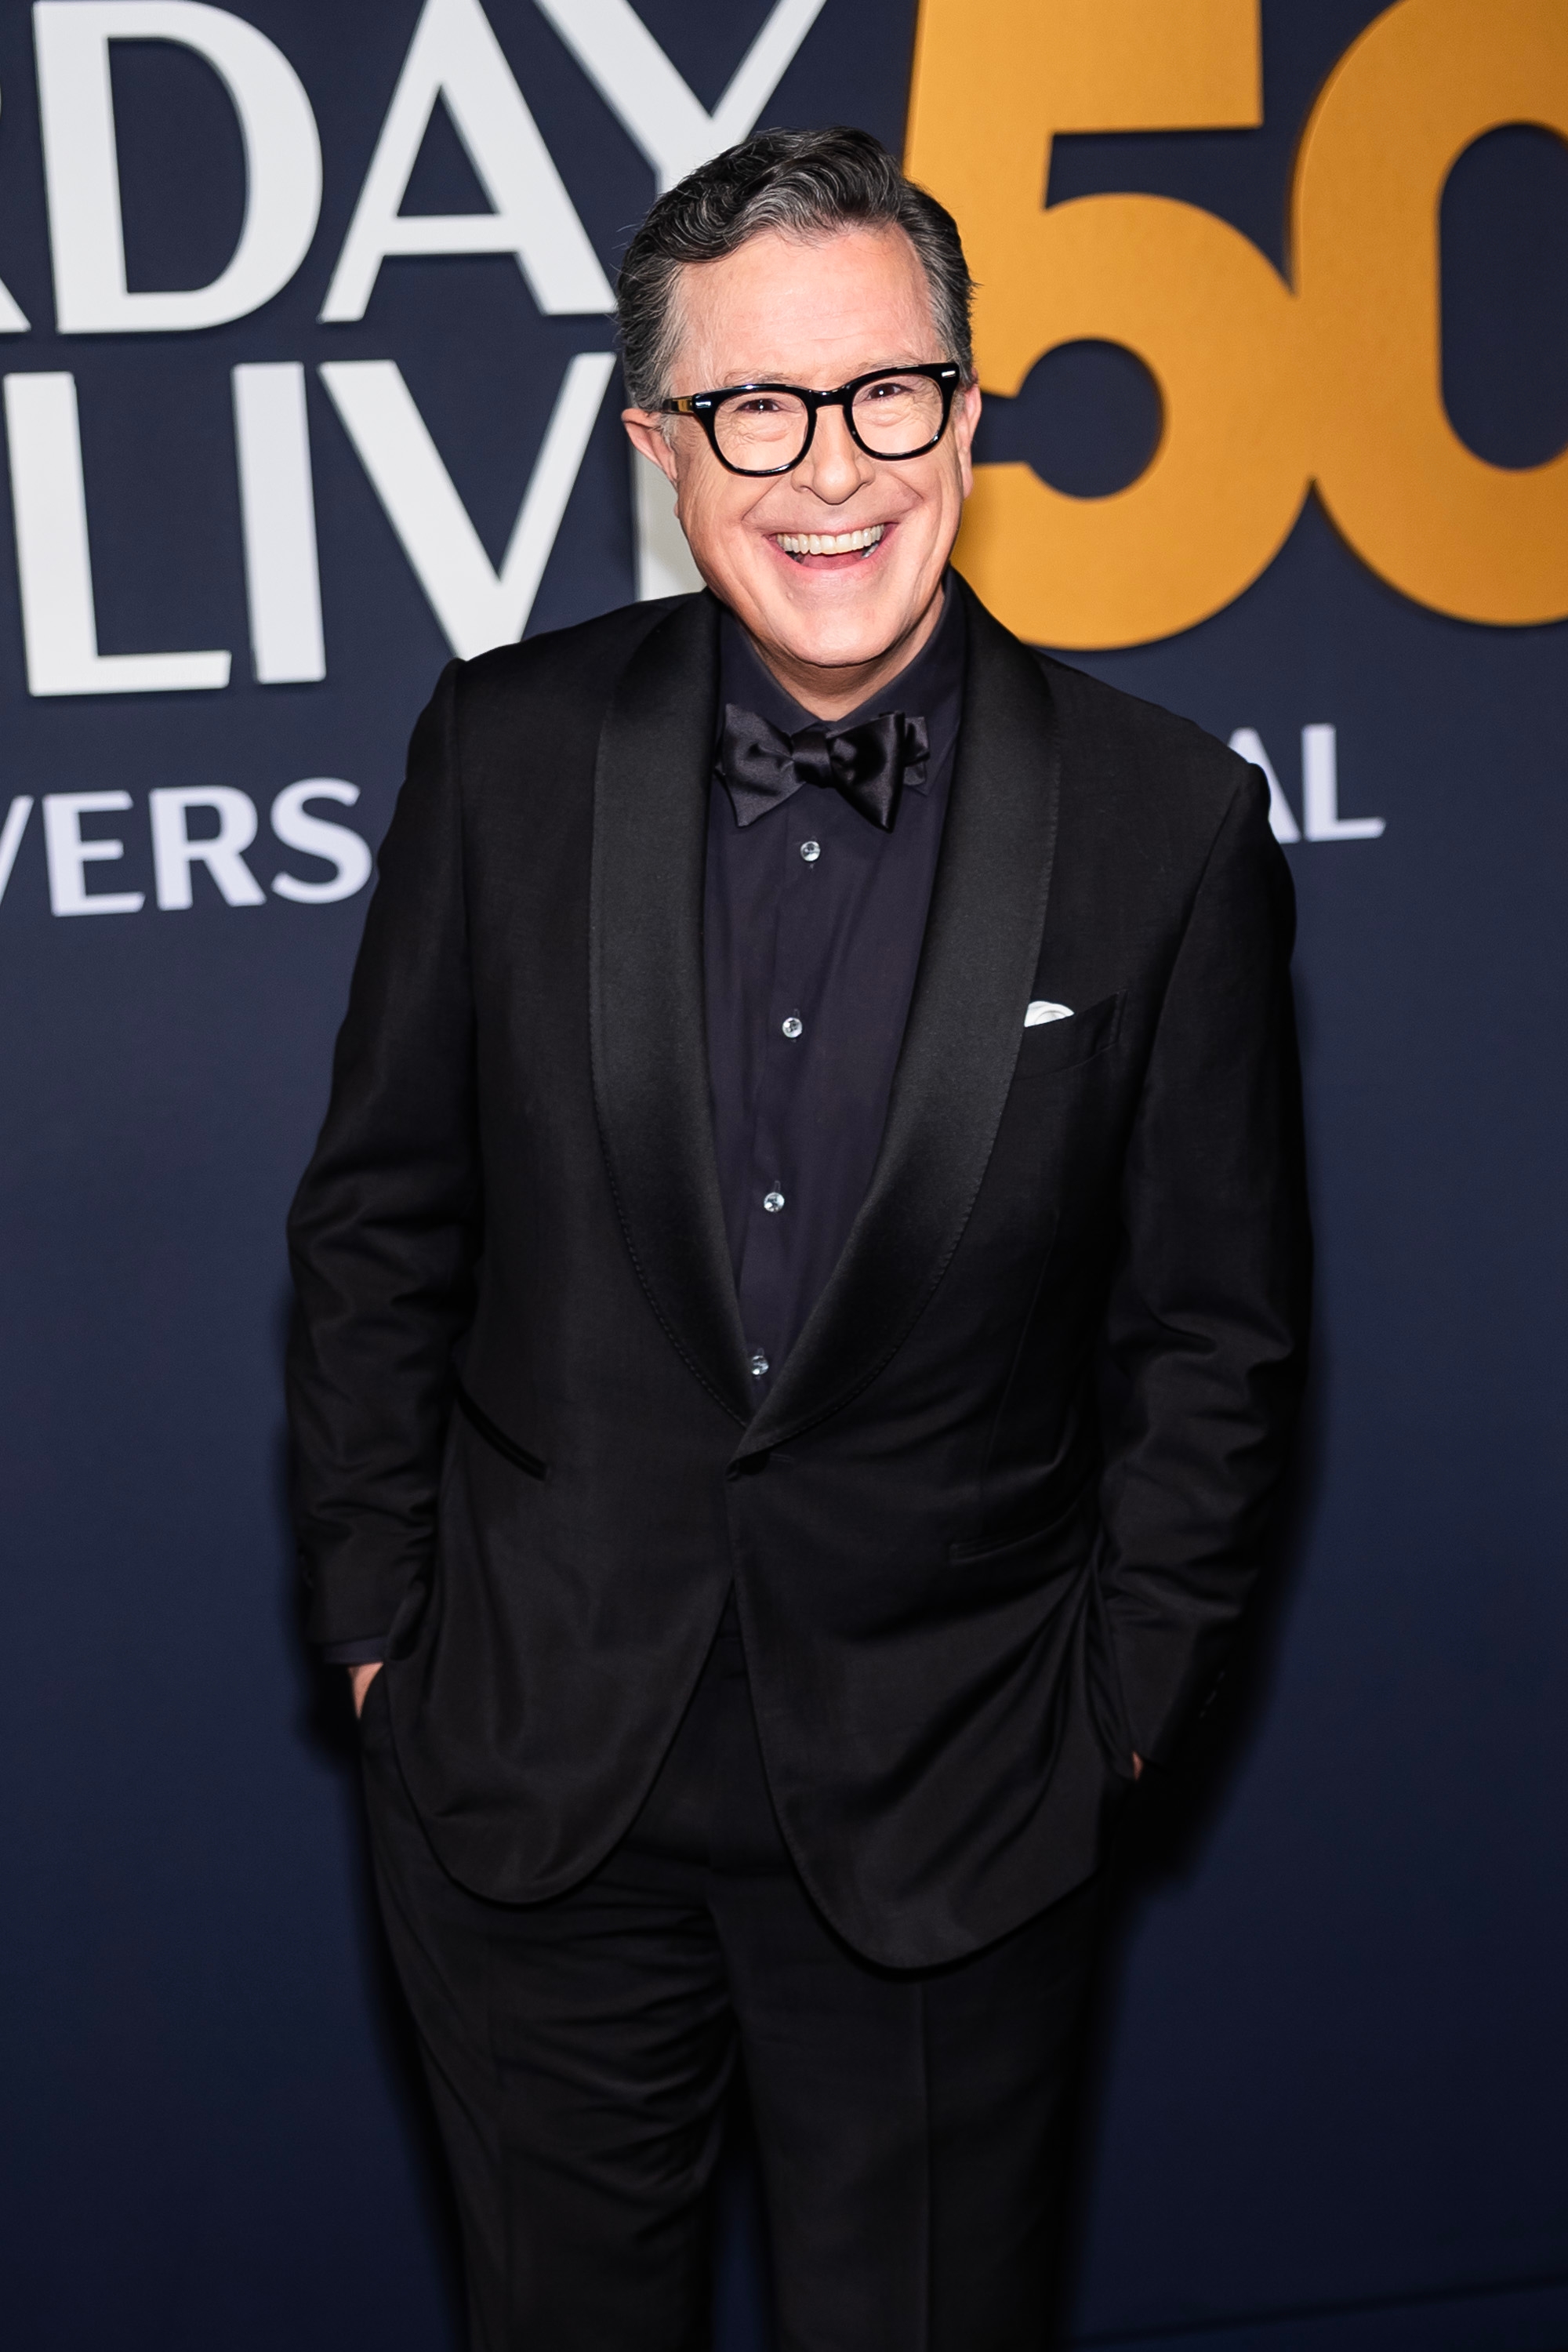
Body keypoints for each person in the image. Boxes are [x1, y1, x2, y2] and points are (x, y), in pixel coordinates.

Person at [288, 125, 1310, 2352]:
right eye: (754, 403)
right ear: (659, 444)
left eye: (884, 393)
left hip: (961, 1798)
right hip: (530, 1771)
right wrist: (380, 1634)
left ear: (969, 413)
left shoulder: (1169, 823)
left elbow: (1213, 1340)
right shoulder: (503, 751)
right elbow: (379, 1225)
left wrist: (1118, 1720)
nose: (829, 467)